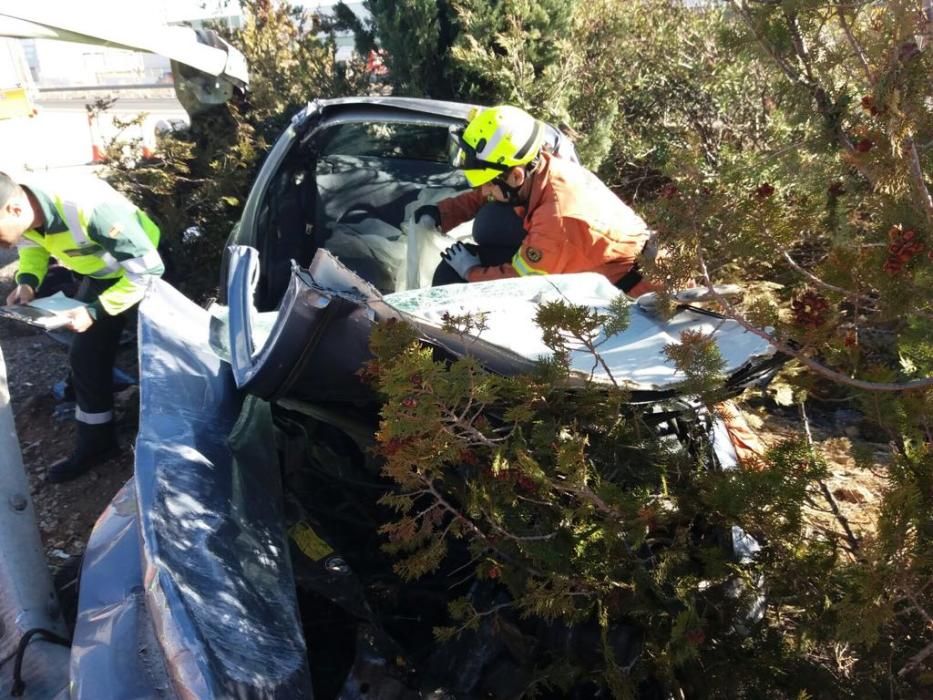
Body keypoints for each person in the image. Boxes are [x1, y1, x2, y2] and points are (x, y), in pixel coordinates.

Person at [0, 171, 164, 482]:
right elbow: (32, 246)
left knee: (159, 352)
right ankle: (98, 444)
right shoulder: (25, 210)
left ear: (14, 209)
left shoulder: (90, 208)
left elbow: (148, 271)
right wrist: (27, 283)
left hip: (144, 269)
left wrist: (95, 311)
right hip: (103, 277)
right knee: (86, 357)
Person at [419, 105, 657, 295]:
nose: (483, 192)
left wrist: (470, 271)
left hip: (630, 298)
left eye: (487, 184)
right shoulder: (542, 168)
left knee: (451, 276)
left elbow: (519, 284)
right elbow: (491, 189)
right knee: (492, 216)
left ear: (516, 176)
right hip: (592, 259)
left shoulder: (558, 221)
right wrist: (445, 212)